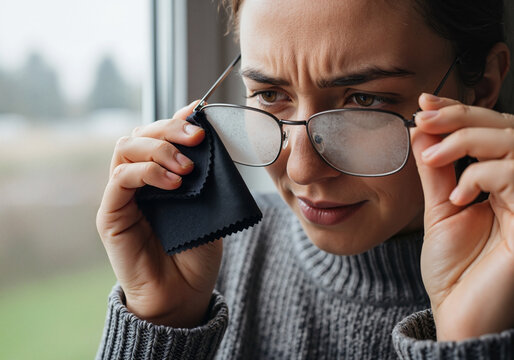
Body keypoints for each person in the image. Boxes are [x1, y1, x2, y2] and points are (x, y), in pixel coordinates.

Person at [95, 0, 514, 358]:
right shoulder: (206, 260)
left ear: (482, 85)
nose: (300, 170)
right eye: (270, 95)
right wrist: (162, 323)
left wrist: (468, 338)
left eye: (364, 101)